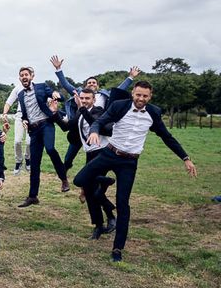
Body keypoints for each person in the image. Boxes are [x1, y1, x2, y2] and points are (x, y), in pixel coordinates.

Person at [73, 81, 197, 262]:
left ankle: (117, 248)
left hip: (128, 163)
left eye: (145, 96)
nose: (141, 99)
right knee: (80, 180)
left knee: (123, 204)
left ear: (150, 96)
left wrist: (186, 158)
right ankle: (104, 180)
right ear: (133, 93)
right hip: (109, 154)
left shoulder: (153, 113)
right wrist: (94, 130)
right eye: (138, 95)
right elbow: (101, 120)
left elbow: (167, 137)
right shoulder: (119, 106)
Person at [50, 55, 140, 171]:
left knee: (94, 161)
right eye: (89, 82)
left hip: (97, 129)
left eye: (94, 82)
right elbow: (66, 84)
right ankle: (65, 175)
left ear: (97, 86)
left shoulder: (104, 95)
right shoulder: (80, 94)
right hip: (80, 128)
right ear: (85, 86)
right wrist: (59, 69)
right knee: (68, 158)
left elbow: (120, 89)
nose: (91, 84)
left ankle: (91, 181)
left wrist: (131, 77)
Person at [54, 90, 117, 236]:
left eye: (87, 98)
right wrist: (55, 113)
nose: (84, 100)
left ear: (94, 99)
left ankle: (109, 215)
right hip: (90, 153)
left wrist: (82, 108)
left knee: (90, 186)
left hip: (102, 152)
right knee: (89, 191)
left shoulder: (99, 110)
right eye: (81, 98)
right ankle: (100, 224)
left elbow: (96, 124)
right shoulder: (79, 113)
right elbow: (66, 127)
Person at [16, 66, 69, 207]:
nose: (24, 76)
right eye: (21, 75)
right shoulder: (20, 95)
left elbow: (60, 97)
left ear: (32, 76)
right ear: (19, 78)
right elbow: (24, 114)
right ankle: (33, 196)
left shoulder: (41, 87)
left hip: (46, 124)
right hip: (34, 130)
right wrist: (24, 120)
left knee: (50, 149)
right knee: (35, 163)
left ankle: (63, 179)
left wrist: (57, 94)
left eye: (26, 74)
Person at [2, 84, 31, 175]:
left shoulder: (35, 88)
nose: (24, 77)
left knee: (29, 142)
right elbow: (8, 102)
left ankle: (28, 158)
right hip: (19, 115)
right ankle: (18, 161)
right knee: (17, 141)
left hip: (31, 116)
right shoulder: (18, 88)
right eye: (22, 75)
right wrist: (4, 113)